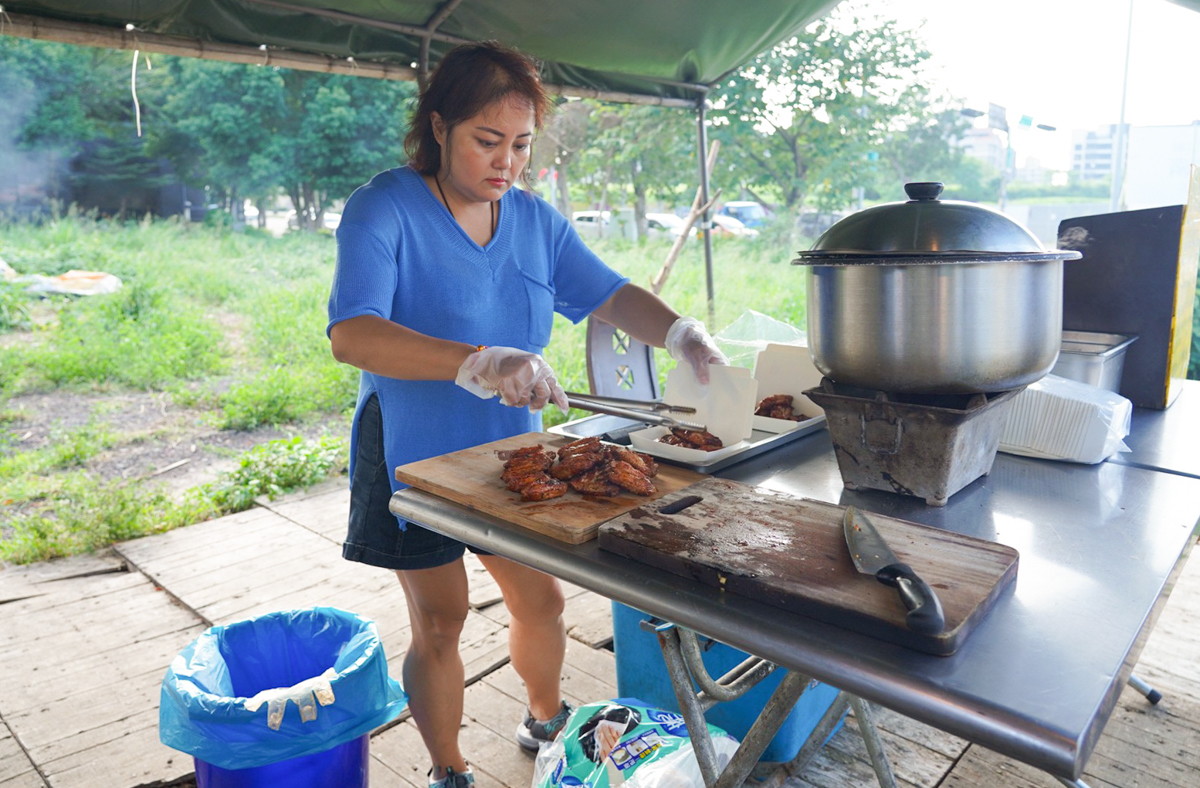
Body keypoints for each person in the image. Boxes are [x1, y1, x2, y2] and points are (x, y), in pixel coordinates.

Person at [326, 41, 726, 788]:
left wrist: (678, 331)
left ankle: (545, 721)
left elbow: (609, 293)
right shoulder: (385, 207)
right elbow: (353, 333)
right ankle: (448, 768)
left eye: (520, 145)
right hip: (414, 450)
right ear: (439, 126)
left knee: (540, 598)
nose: (505, 162)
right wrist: (477, 359)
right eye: (486, 140)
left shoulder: (535, 222)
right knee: (440, 620)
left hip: (512, 452)